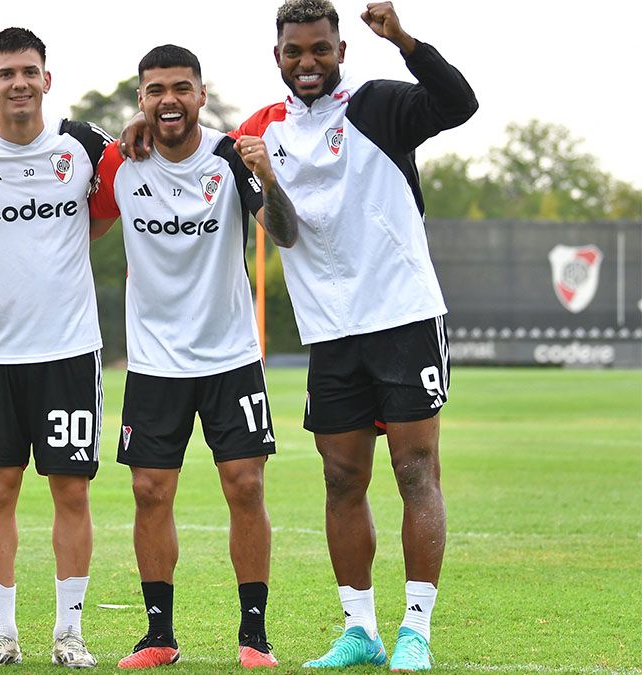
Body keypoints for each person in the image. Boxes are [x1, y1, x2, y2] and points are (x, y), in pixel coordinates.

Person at [123, 1, 477, 670]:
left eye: (319, 49)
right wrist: (141, 122)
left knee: (415, 470)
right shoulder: (262, 129)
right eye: (294, 51)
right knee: (342, 479)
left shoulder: (378, 106)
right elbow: (202, 148)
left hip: (401, 314)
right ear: (276, 56)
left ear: (341, 50)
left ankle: (416, 631)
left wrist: (403, 38)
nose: (306, 62)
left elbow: (458, 102)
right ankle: (360, 629)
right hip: (330, 331)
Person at [89, 45, 298, 670]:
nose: (169, 100)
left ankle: (253, 635)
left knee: (246, 485)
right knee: (150, 492)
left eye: (181, 88)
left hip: (230, 355)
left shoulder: (233, 158)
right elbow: (62, 203)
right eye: (155, 90)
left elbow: (283, 233)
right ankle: (158, 635)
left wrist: (270, 176)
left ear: (201, 95)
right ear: (141, 100)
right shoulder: (120, 163)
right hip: (154, 364)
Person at [0, 26, 114, 669]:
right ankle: (2, 635)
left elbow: (117, 202)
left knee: (71, 492)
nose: (18, 83)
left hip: (68, 350)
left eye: (28, 71)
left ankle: (69, 634)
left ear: (46, 78)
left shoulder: (85, 146)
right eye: (5, 73)